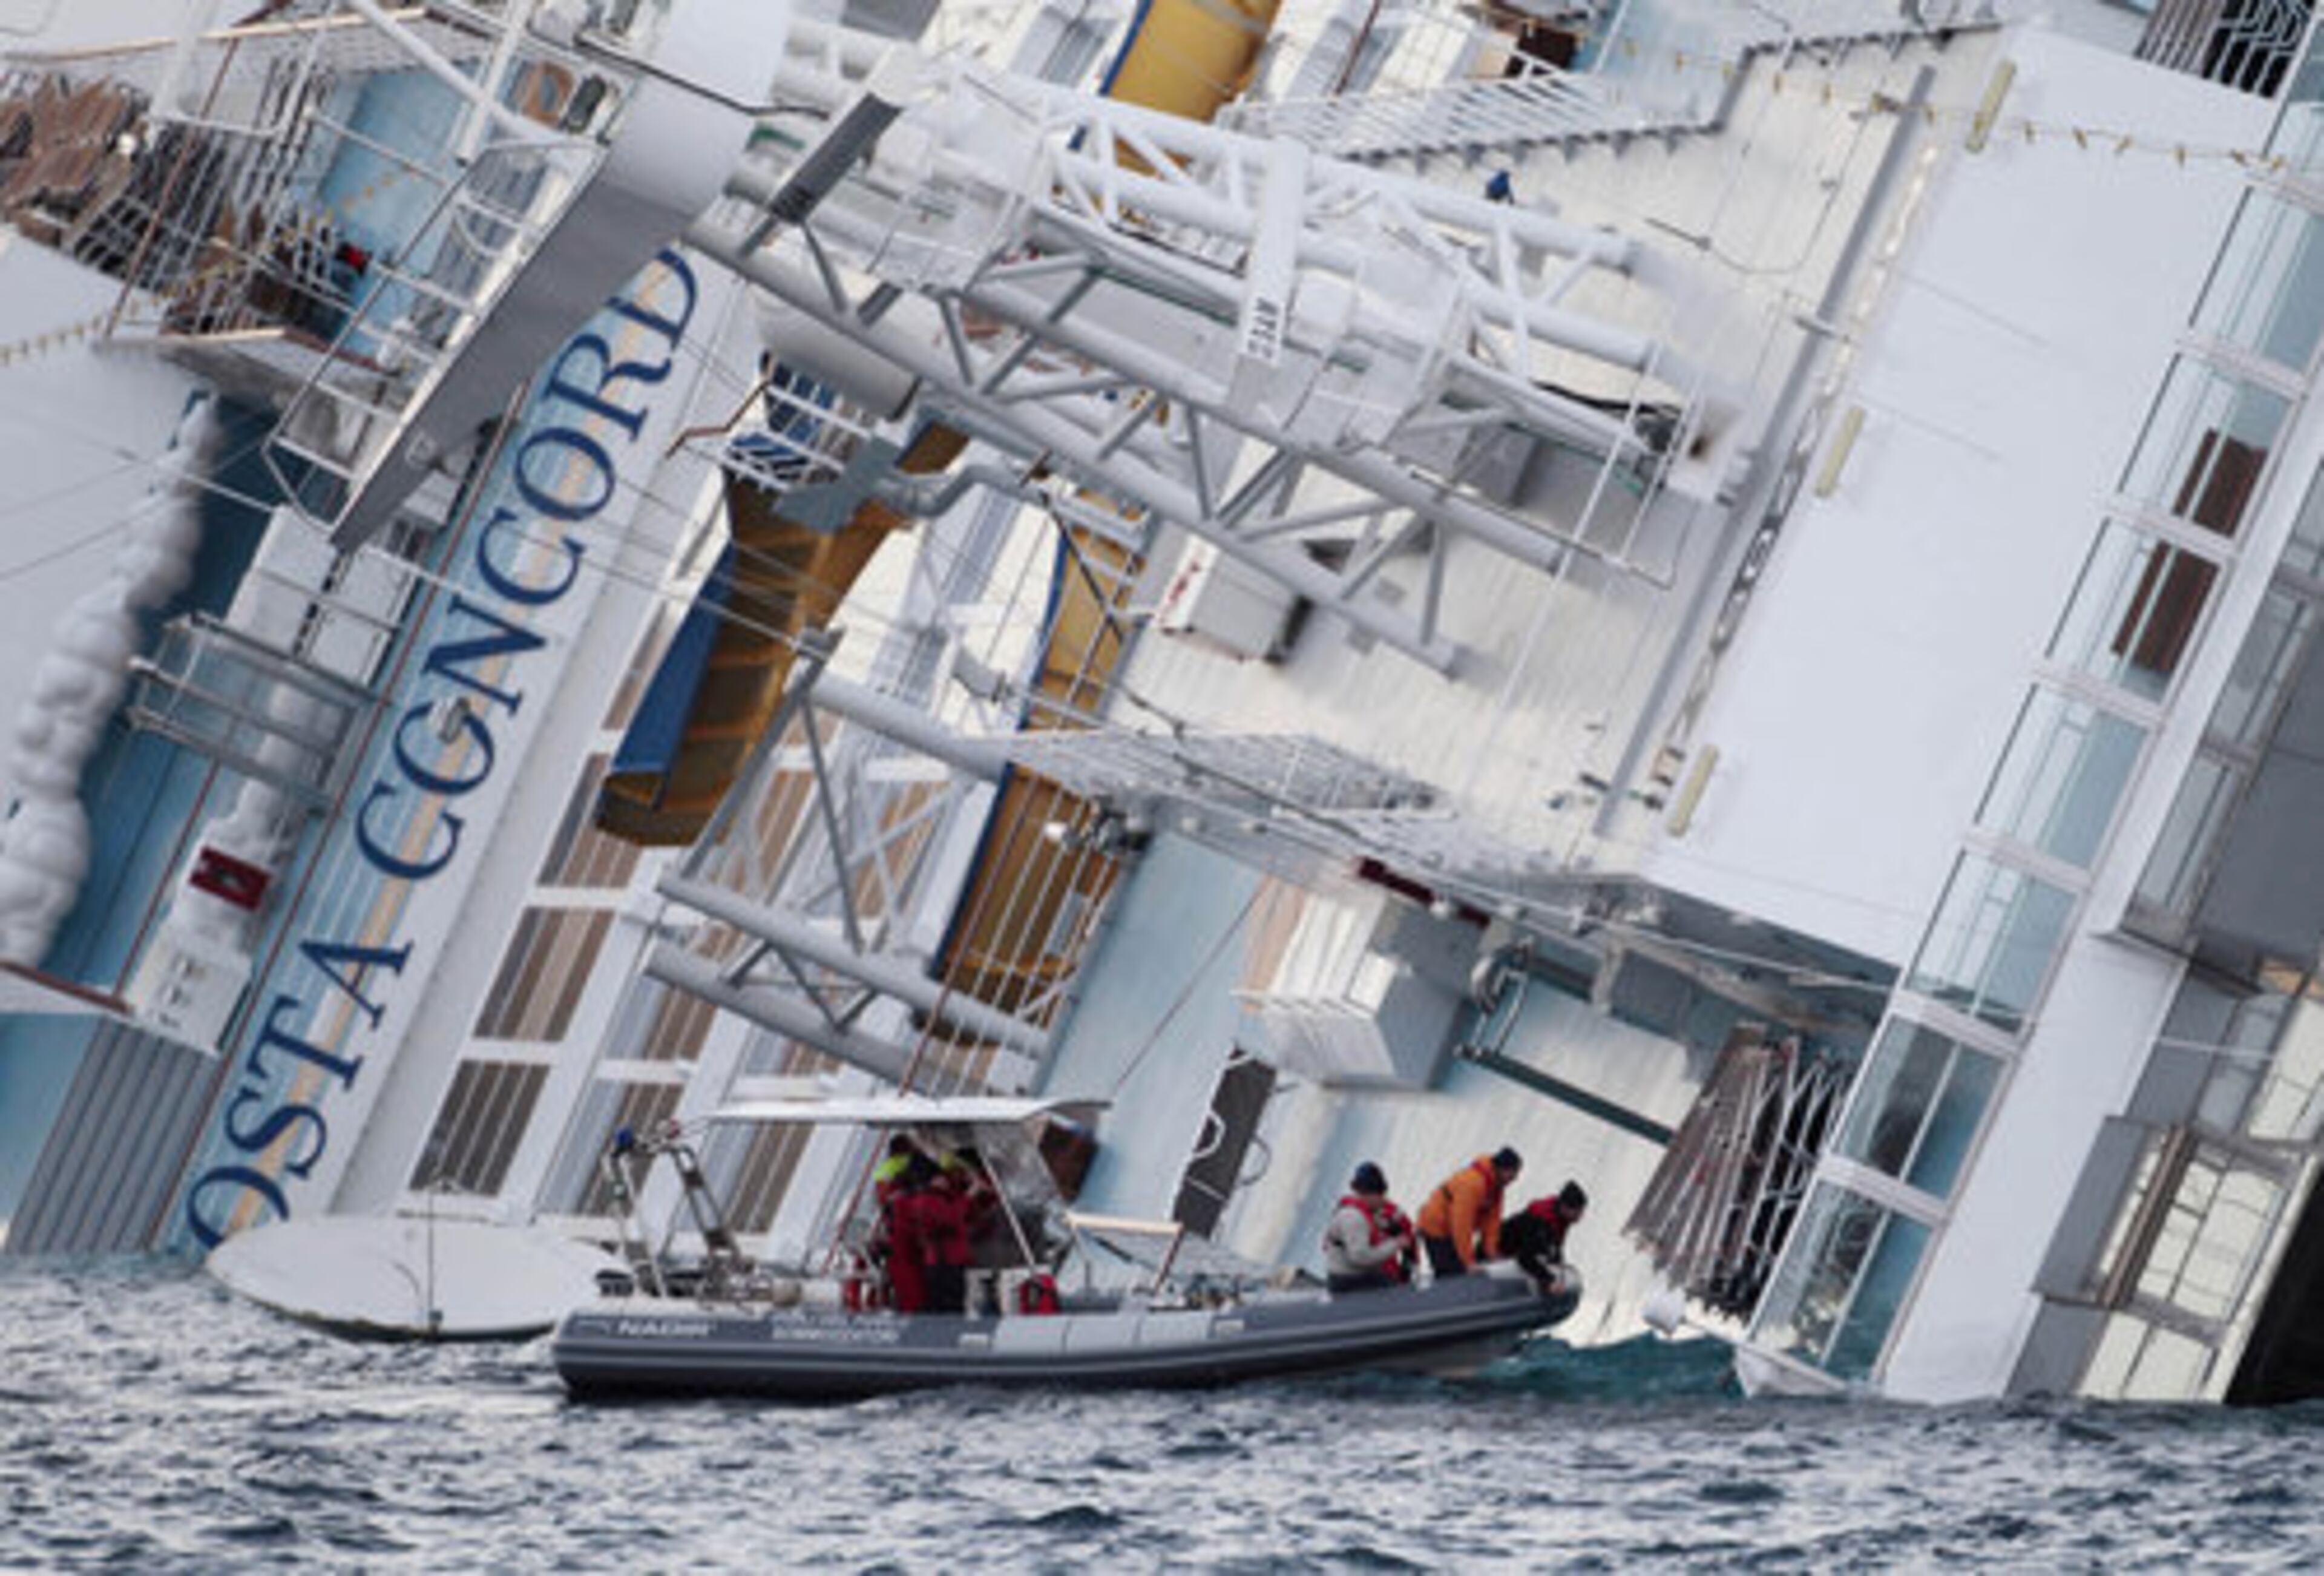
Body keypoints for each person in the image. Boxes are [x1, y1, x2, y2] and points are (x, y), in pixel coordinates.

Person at [1416, 1147, 1522, 1278]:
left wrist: (1492, 1252)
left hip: (1452, 1229)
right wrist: (1468, 1262)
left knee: (1463, 1269)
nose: (1515, 1178)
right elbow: (1461, 1225)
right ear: (1502, 1169)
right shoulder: (1472, 1184)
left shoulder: (1496, 1188)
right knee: (1451, 1275)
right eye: (1513, 1173)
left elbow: (1492, 1224)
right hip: (1435, 1227)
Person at [1320, 1162, 1414, 1294]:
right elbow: (1361, 1258)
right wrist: (1396, 1244)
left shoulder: (1360, 1213)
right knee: (1394, 1289)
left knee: (1389, 1279)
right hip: (1346, 1280)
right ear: (1370, 1194)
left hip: (1351, 1275)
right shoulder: (1354, 1218)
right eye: (1381, 1194)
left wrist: (1388, 1228)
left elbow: (1370, 1228)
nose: (1384, 1200)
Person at [1502, 1179, 1588, 1288]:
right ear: (1565, 1208)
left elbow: (1555, 1248)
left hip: (1515, 1256)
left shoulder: (1560, 1217)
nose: (1581, 1217)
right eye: (1578, 1212)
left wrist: (1558, 1267)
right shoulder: (1542, 1222)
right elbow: (1525, 1258)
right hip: (1495, 1257)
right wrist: (1549, 1281)